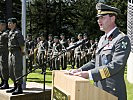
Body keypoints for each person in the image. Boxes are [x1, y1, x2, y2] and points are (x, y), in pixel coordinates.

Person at [69, 3, 131, 100]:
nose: (99, 21)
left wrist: (90, 74)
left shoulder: (121, 39)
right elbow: (96, 61)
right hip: (98, 90)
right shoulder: (103, 39)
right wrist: (80, 70)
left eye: (102, 17)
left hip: (112, 92)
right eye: (98, 18)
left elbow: (116, 65)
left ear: (112, 18)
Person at [6, 18, 25, 95]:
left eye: (10, 23)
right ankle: (15, 86)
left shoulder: (18, 33)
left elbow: (22, 44)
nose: (8, 24)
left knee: (17, 69)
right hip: (10, 52)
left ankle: (19, 87)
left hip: (17, 52)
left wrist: (23, 51)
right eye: (8, 23)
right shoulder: (10, 32)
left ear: (14, 24)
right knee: (10, 70)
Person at [0, 19, 9, 89]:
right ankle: (2, 81)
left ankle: (6, 83)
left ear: (3, 25)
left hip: (4, 53)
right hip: (1, 53)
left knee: (4, 67)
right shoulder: (1, 33)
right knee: (1, 68)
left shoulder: (6, 33)